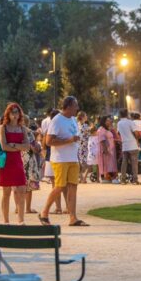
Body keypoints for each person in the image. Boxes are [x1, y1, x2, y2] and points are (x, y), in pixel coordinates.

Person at [39, 96, 87, 227]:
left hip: (72, 158)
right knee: (59, 187)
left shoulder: (72, 119)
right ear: (69, 106)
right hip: (60, 159)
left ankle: (73, 218)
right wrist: (69, 140)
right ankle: (44, 213)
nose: (77, 108)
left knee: (73, 187)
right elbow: (48, 141)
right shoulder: (57, 120)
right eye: (75, 105)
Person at [0, 103, 29, 225]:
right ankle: (6, 221)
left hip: (17, 162)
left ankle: (21, 220)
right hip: (6, 163)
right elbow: (4, 146)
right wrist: (18, 147)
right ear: (8, 114)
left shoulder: (23, 128)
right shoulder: (3, 128)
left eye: (17, 112)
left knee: (21, 191)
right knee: (6, 193)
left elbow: (27, 146)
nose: (15, 115)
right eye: (12, 112)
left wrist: (14, 145)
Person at [22, 116, 42, 214]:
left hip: (18, 158)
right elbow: (34, 148)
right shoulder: (29, 132)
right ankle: (28, 208)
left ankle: (18, 207)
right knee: (29, 184)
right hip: (28, 159)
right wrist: (38, 146)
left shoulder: (15, 131)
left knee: (18, 185)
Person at [117, 109, 141, 185]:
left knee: (124, 163)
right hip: (133, 145)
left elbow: (119, 133)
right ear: (127, 114)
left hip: (125, 145)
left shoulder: (119, 123)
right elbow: (136, 133)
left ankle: (123, 180)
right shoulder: (130, 122)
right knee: (134, 163)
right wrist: (137, 137)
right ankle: (135, 180)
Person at [96, 116, 118, 183]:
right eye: (108, 120)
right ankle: (109, 178)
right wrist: (106, 150)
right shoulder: (101, 129)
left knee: (111, 164)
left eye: (110, 120)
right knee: (108, 164)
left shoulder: (107, 129)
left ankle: (110, 178)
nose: (109, 121)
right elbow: (102, 141)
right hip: (106, 150)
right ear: (104, 122)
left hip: (111, 150)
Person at [76, 112, 91, 183]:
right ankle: (82, 177)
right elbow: (89, 134)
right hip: (84, 145)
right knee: (85, 162)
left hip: (78, 145)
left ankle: (81, 177)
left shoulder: (77, 125)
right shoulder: (85, 126)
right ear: (82, 117)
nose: (86, 116)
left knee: (81, 162)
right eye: (85, 115)